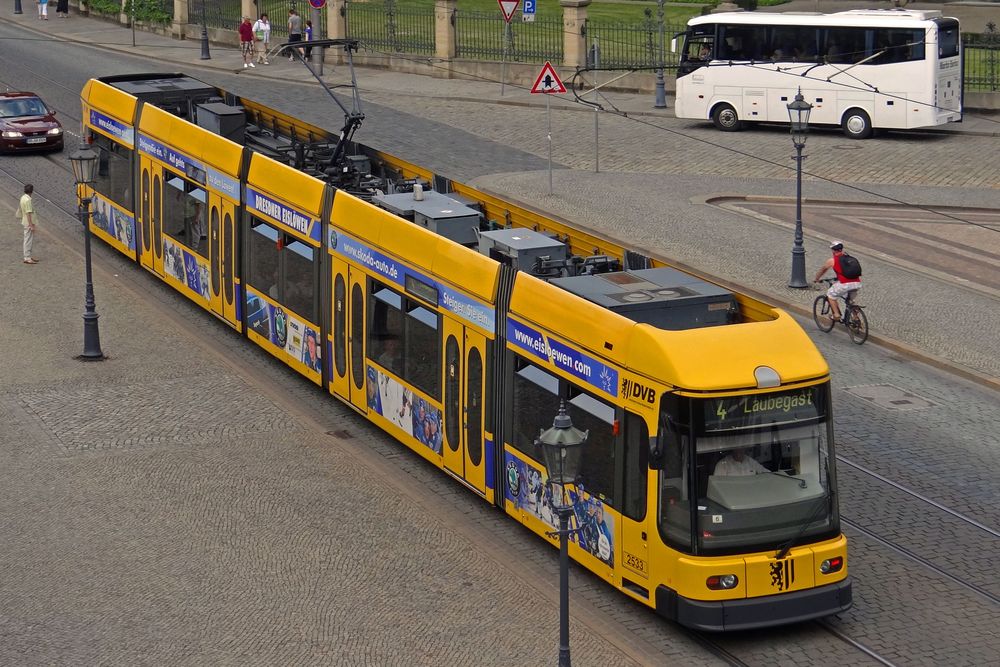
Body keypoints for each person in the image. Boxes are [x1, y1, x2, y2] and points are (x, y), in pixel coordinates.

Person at [814, 240, 861, 323]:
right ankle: (856, 318)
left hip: (845, 284)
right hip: (857, 283)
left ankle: (836, 315)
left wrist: (816, 279)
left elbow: (822, 270)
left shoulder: (832, 260)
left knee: (830, 295)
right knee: (851, 300)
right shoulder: (849, 258)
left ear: (833, 250)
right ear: (841, 249)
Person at [17, 184, 39, 264]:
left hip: (24, 221)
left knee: (27, 239)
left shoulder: (23, 197)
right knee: (28, 240)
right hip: (28, 222)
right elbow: (28, 213)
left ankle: (28, 256)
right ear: (32, 191)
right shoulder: (28, 200)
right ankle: (27, 257)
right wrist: (31, 225)